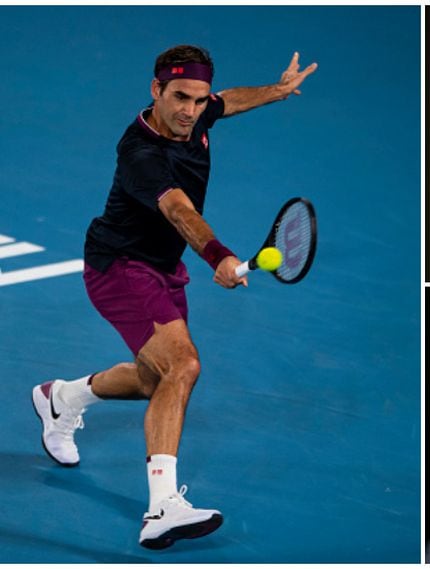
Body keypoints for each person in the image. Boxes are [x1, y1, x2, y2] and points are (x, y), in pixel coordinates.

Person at [30, 44, 317, 549]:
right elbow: (181, 212)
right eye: (180, 97)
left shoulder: (199, 112)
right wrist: (219, 257)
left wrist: (276, 90)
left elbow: (229, 101)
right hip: (120, 268)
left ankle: (62, 398)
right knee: (183, 366)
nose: (191, 110)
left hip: (162, 269)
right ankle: (162, 507)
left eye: (199, 99)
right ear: (156, 90)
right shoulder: (140, 154)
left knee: (153, 380)